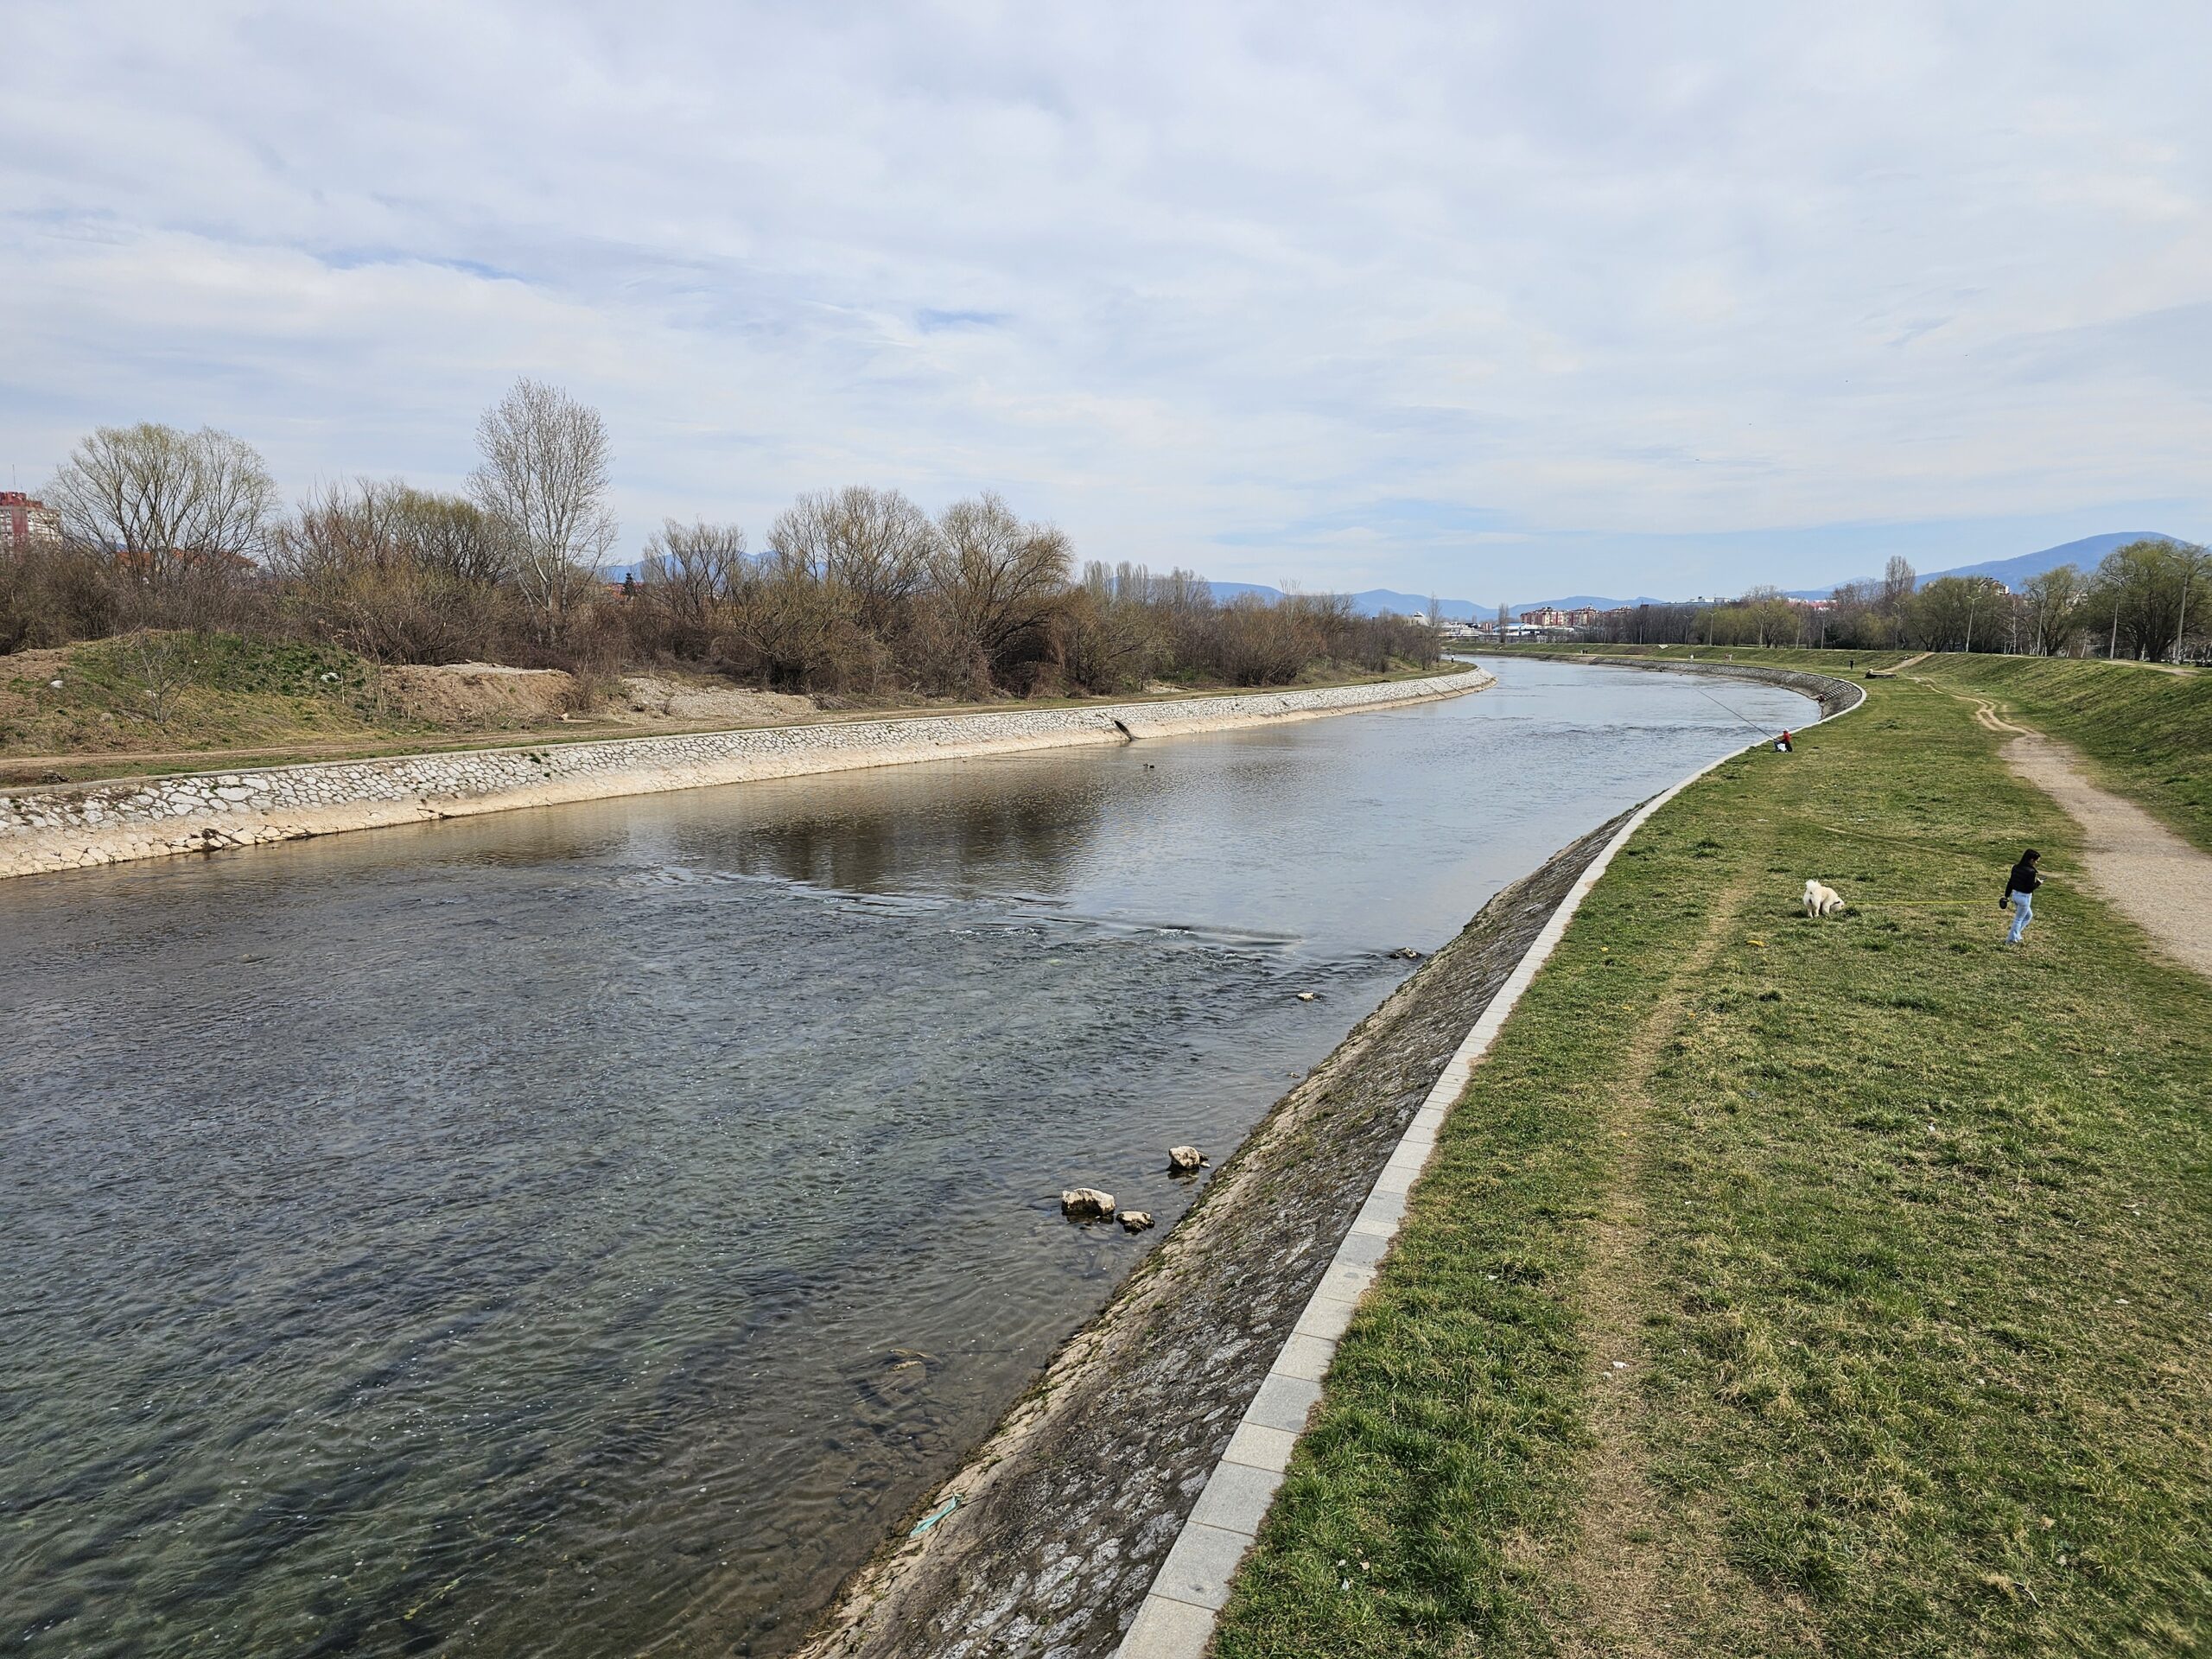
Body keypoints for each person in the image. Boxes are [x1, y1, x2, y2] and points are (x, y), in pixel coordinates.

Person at [2002, 849, 2042, 944]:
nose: (2035, 863)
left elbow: (2010, 882)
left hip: (2015, 895)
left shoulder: (2016, 867)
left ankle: (2016, 935)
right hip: (2024, 898)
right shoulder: (2031, 872)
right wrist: (2038, 883)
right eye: (2036, 861)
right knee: (2018, 919)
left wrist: (2006, 896)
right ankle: (2011, 940)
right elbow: (2029, 888)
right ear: (2031, 860)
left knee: (2028, 915)